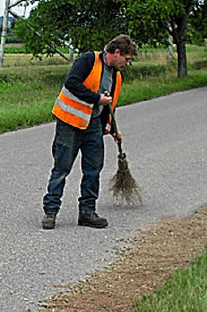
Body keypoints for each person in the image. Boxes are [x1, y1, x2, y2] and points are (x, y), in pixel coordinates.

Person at [41, 34, 138, 230]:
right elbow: (72, 83)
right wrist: (96, 98)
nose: (127, 63)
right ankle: (50, 212)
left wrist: (112, 130)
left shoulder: (116, 76)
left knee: (93, 169)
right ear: (117, 52)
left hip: (93, 125)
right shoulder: (89, 60)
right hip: (70, 122)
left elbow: (109, 105)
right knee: (62, 168)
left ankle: (87, 212)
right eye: (127, 59)